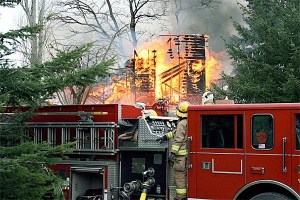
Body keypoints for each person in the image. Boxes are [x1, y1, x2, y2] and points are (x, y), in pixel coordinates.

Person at [156, 101, 189, 200]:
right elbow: (177, 133)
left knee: (180, 178)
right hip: (187, 155)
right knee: (185, 177)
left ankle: (181, 198)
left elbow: (178, 139)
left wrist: (172, 153)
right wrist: (166, 136)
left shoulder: (181, 123)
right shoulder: (188, 121)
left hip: (180, 157)